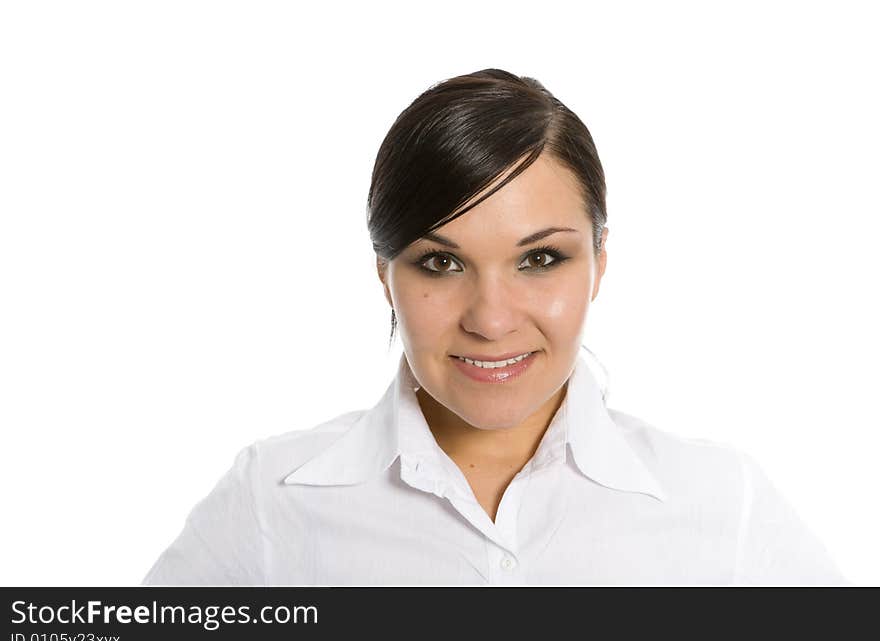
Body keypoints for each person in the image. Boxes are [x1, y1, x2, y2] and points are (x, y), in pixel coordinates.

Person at [142, 68, 848, 586]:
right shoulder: (274, 499)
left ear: (600, 262)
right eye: (442, 262)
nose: (492, 318)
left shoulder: (719, 505)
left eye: (540, 258)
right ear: (384, 273)